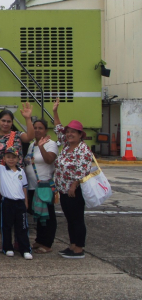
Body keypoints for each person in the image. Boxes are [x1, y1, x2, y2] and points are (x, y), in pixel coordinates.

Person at [52, 97, 93, 259]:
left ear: (79, 135)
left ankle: (79, 248)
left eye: (72, 132)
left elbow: (82, 170)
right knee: (70, 218)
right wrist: (55, 111)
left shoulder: (83, 150)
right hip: (63, 188)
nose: (68, 134)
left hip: (74, 190)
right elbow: (58, 128)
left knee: (77, 218)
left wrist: (73, 186)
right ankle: (72, 245)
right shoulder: (67, 145)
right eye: (68, 132)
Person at [0, 136, 32, 260]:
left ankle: (25, 249)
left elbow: (24, 187)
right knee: (6, 226)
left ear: (18, 159)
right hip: (7, 202)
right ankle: (7, 248)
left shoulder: (21, 172)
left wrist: (26, 201)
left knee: (22, 227)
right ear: (4, 158)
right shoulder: (2, 169)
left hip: (19, 202)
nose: (11, 159)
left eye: (13, 157)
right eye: (8, 157)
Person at [25, 118, 59, 253]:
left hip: (44, 185)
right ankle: (39, 240)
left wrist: (41, 147)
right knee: (38, 214)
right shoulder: (31, 145)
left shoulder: (51, 144)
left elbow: (49, 159)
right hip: (33, 186)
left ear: (46, 130)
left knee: (48, 215)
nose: (37, 130)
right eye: (35, 128)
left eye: (40, 128)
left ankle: (47, 243)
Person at [0, 105, 35, 170]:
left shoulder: (17, 134)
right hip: (1, 175)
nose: (6, 124)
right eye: (3, 121)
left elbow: (30, 137)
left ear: (12, 122)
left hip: (18, 175)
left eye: (8, 121)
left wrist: (28, 118)